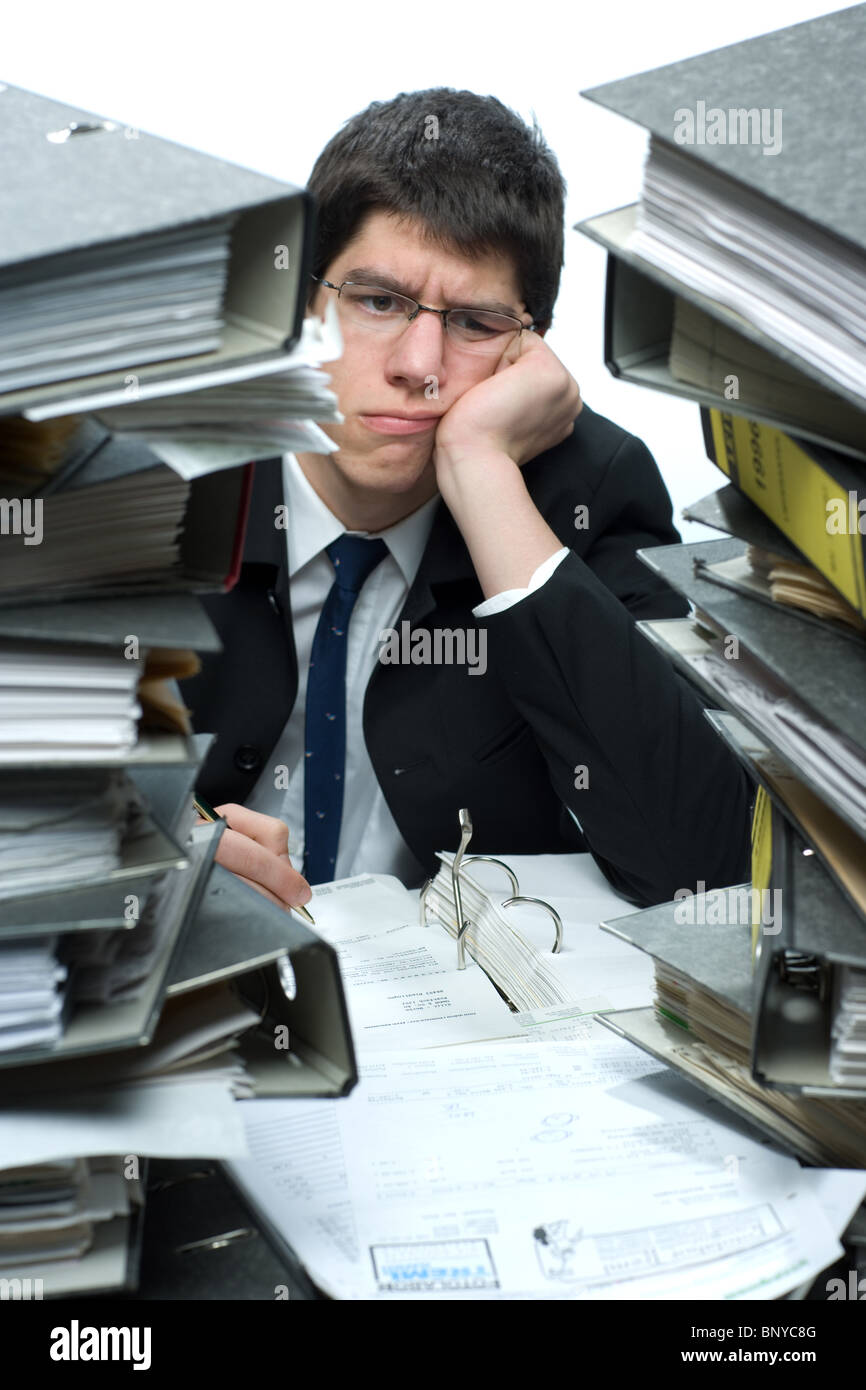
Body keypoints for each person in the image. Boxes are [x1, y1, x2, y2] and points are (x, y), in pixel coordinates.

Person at [180, 87, 752, 916]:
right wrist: (170, 843)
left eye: (476, 323)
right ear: (304, 303)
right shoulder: (164, 462)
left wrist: (482, 468)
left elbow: (703, 867)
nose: (419, 363)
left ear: (531, 353)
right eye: (378, 301)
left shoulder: (587, 490)